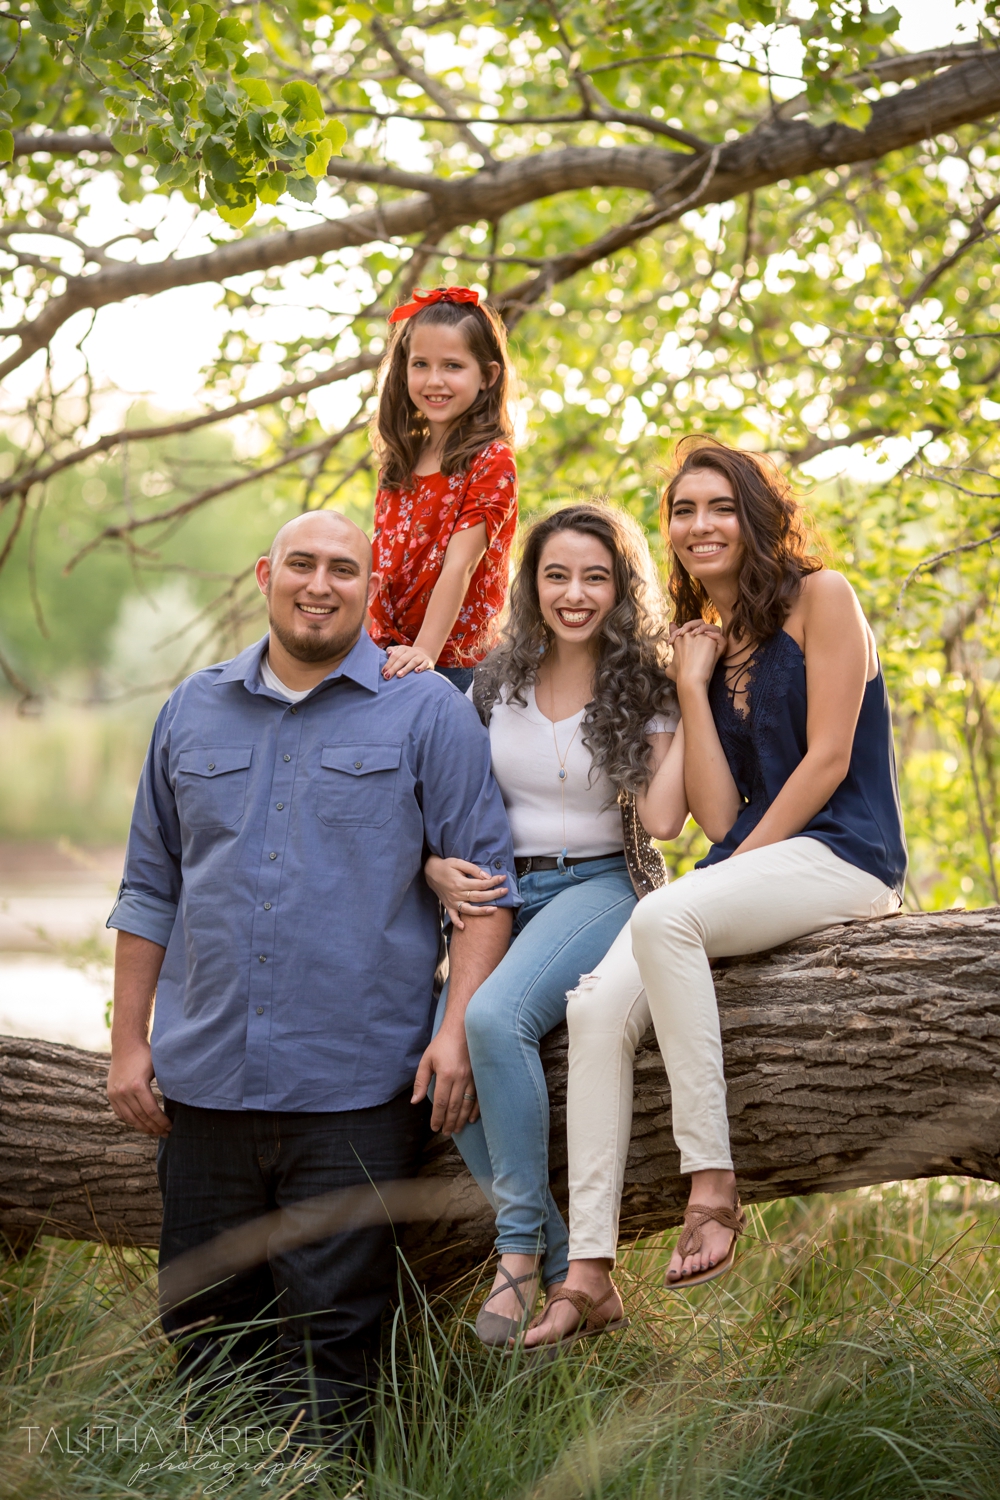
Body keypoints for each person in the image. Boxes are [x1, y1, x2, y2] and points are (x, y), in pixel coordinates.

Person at [105, 510, 518, 1437]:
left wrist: (456, 1031)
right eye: (302, 564)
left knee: (335, 1341)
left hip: (354, 1091)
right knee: (205, 1332)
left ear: (371, 591)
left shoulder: (427, 713)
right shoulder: (190, 709)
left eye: (343, 569)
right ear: (265, 573)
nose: (319, 585)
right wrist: (126, 1044)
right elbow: (147, 890)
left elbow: (488, 892)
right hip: (202, 1087)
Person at [524, 436, 907, 1351]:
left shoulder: (825, 598)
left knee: (666, 911)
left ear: (757, 514)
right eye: (683, 511)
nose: (700, 526)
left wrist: (732, 865)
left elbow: (828, 760)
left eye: (720, 507)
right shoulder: (707, 643)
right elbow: (711, 811)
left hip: (843, 857)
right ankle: (587, 1270)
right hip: (752, 867)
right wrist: (692, 687)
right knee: (592, 1007)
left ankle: (713, 1185)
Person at [423, 503, 687, 1347]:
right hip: (502, 897)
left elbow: (667, 818)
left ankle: (518, 1257)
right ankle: (575, 1268)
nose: (575, 593)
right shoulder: (493, 680)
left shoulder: (643, 682)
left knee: (494, 1022)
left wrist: (686, 695)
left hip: (602, 885)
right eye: (557, 575)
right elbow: (444, 801)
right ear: (531, 584)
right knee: (438, 1074)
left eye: (595, 576)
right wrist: (430, 867)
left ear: (621, 587)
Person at [367, 285, 518, 693]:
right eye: (421, 364)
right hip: (384, 655)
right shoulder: (401, 459)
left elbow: (461, 565)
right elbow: (382, 567)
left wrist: (425, 652)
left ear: (487, 376)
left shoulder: (491, 461)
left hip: (449, 665)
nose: (434, 380)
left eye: (452, 366)